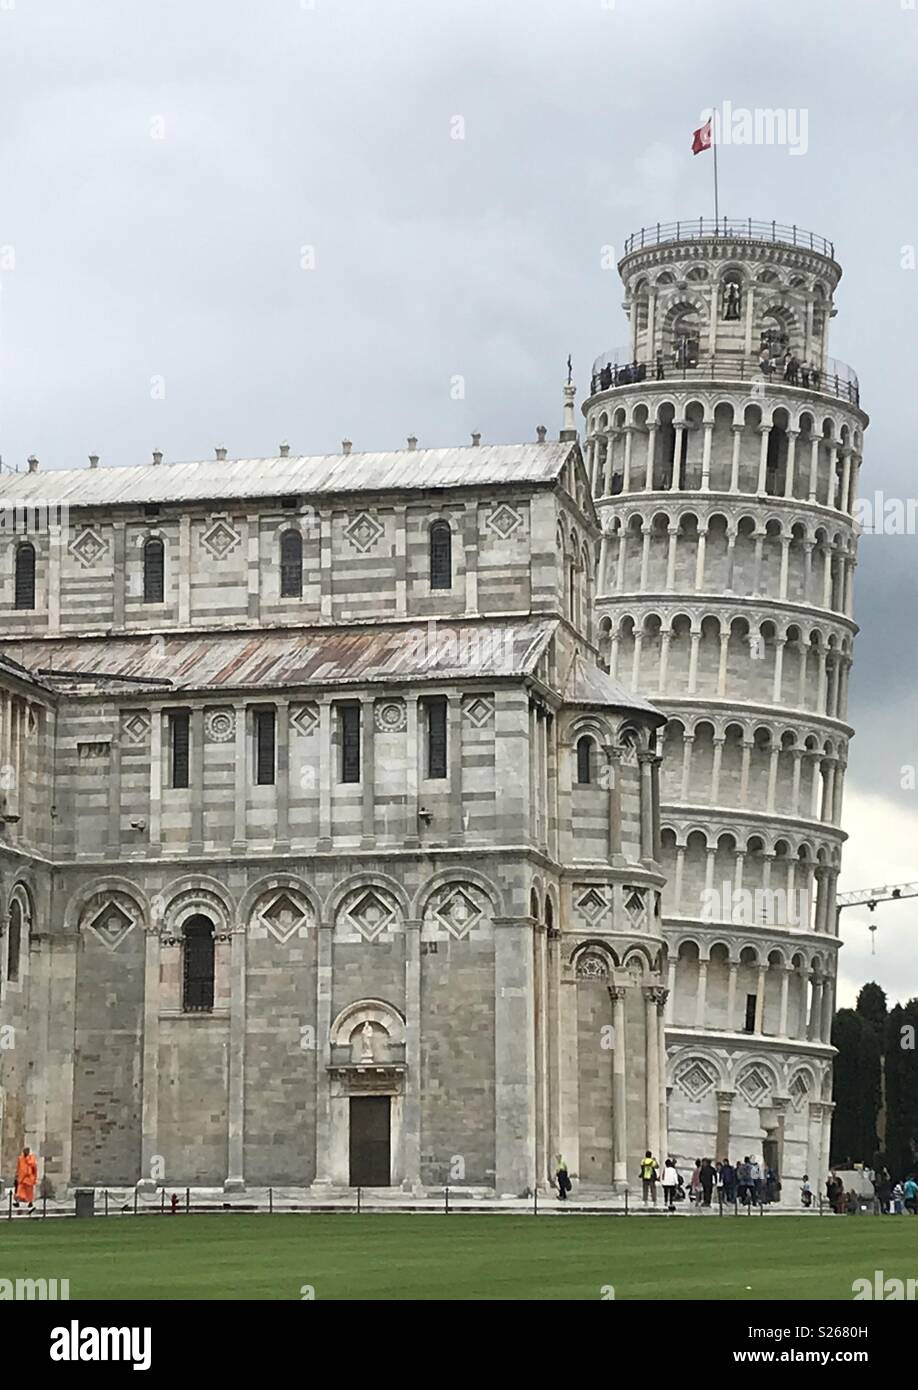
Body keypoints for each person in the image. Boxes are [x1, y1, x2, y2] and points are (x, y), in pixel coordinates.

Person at [14, 1147, 37, 1211]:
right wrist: (17, 1175)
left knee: (29, 1192)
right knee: (19, 1191)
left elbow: (34, 1167)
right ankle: (17, 1202)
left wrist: (27, 1159)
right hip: (21, 1178)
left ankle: (30, 1203)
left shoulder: (31, 1158)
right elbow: (19, 1167)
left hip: (29, 1178)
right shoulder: (20, 1158)